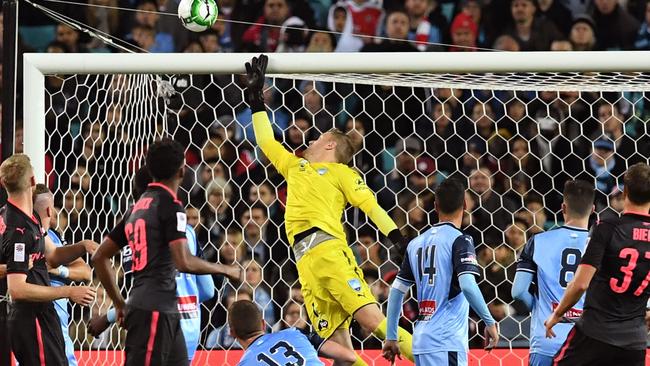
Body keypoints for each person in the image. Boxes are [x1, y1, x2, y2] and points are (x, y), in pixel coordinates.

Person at [245, 55, 413, 365]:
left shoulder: (343, 174)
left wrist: (396, 238)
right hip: (304, 262)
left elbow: (370, 206)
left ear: (332, 145)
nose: (312, 138)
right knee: (341, 350)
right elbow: (267, 142)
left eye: (320, 136)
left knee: (373, 322)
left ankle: (434, 359)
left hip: (329, 250)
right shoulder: (295, 166)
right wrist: (256, 102)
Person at [92, 139, 241, 366]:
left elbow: (99, 256)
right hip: (155, 309)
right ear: (182, 170)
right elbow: (183, 262)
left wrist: (119, 303)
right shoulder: (171, 206)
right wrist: (224, 269)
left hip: (164, 310)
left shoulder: (137, 208)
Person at [382, 178, 498, 365]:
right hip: (446, 341)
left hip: (421, 342)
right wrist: (489, 322)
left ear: (435, 206)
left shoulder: (415, 244)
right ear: (465, 205)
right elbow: (468, 286)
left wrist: (391, 337)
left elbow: (395, 291)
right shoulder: (461, 240)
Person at [545, 163, 650, 366]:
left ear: (625, 191)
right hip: (634, 342)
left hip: (594, 335)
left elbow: (581, 283)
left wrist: (557, 315)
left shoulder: (607, 227)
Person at [0, 154, 96, 365]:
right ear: (33, 182)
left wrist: (82, 246)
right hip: (31, 318)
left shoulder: (25, 218)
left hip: (41, 317)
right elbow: (18, 290)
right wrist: (68, 291)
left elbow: (52, 254)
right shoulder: (19, 230)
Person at [512, 180, 594, 366]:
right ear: (593, 209)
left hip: (546, 339)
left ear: (563, 207)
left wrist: (538, 306)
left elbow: (517, 291)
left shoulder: (538, 241)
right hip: (585, 342)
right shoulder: (599, 245)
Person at [34, 184, 94, 366]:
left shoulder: (53, 236)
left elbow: (85, 272)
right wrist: (68, 290)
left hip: (58, 323)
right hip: (41, 318)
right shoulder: (29, 235)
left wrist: (59, 271)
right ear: (49, 210)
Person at [229, 299, 357, 366]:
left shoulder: (245, 363)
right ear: (263, 324)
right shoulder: (294, 333)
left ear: (232, 332)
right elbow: (348, 357)